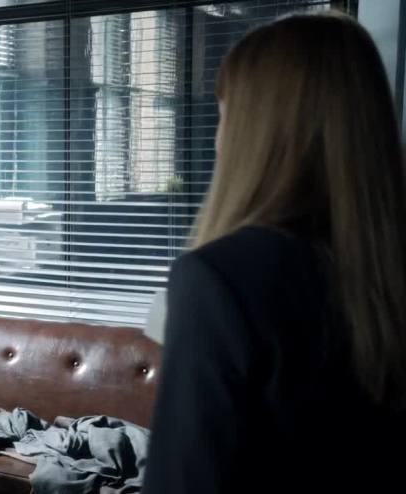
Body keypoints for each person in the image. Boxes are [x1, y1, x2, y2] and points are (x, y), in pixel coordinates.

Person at [143, 12, 406, 494]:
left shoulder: (221, 279)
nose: (217, 141)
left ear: (257, 135)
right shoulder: (383, 276)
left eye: (224, 115)